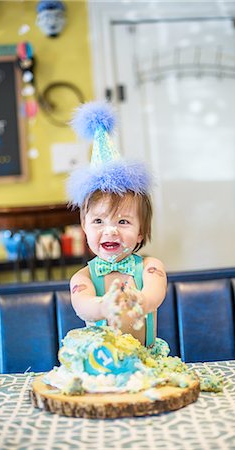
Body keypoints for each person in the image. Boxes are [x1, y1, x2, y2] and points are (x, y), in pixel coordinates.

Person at [67, 101, 167, 348]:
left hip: (147, 363)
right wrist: (105, 305)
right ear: (85, 228)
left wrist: (136, 300)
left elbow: (154, 296)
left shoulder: (150, 268)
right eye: (98, 221)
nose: (110, 230)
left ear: (141, 231)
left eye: (123, 221)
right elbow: (84, 307)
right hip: (101, 367)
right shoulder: (84, 276)